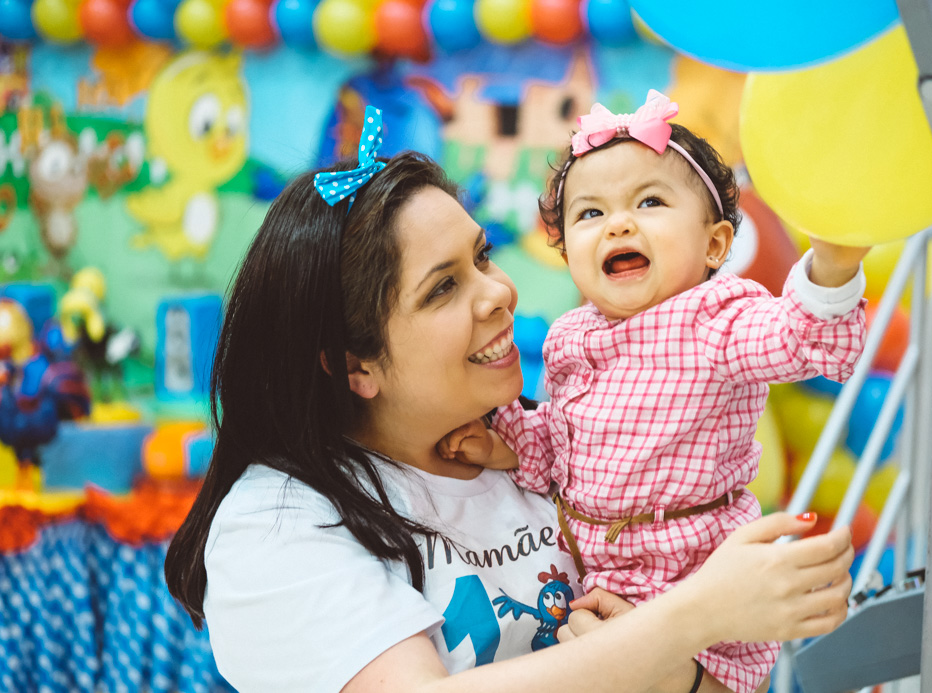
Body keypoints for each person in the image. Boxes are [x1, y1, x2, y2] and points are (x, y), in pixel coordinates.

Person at [165, 105, 855, 693]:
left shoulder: (539, 449)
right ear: (354, 366)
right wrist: (689, 620)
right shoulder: (280, 521)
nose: (500, 293)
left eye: (484, 255)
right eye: (443, 287)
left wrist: (682, 671)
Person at [437, 90, 869, 693]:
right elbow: (565, 442)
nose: (618, 222)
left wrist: (834, 267)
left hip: (693, 569)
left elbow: (797, 340)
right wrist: (504, 446)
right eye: (590, 214)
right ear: (567, 254)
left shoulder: (718, 318)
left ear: (715, 245)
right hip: (595, 569)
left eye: (650, 201)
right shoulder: (570, 336)